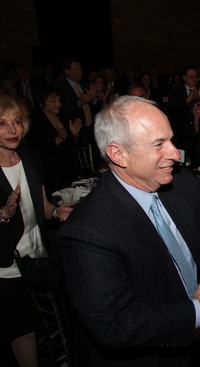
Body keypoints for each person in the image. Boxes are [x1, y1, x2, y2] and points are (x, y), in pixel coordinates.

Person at [58, 95, 200, 366]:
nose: (175, 154)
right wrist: (197, 311)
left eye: (171, 140)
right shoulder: (89, 229)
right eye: (158, 145)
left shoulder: (178, 182)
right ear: (118, 154)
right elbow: (115, 325)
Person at [0, 96, 72, 367]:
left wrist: (57, 212)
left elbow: (42, 207)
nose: (12, 130)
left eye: (17, 122)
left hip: (38, 255)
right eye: (3, 124)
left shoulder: (29, 157)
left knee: (52, 321)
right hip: (7, 265)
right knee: (23, 331)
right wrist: (4, 214)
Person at [25, 87, 82, 198]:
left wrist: (74, 135)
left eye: (59, 101)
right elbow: (35, 147)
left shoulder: (65, 117)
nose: (58, 104)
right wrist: (57, 140)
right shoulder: (34, 120)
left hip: (68, 167)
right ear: (42, 102)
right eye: (53, 101)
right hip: (50, 170)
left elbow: (72, 144)